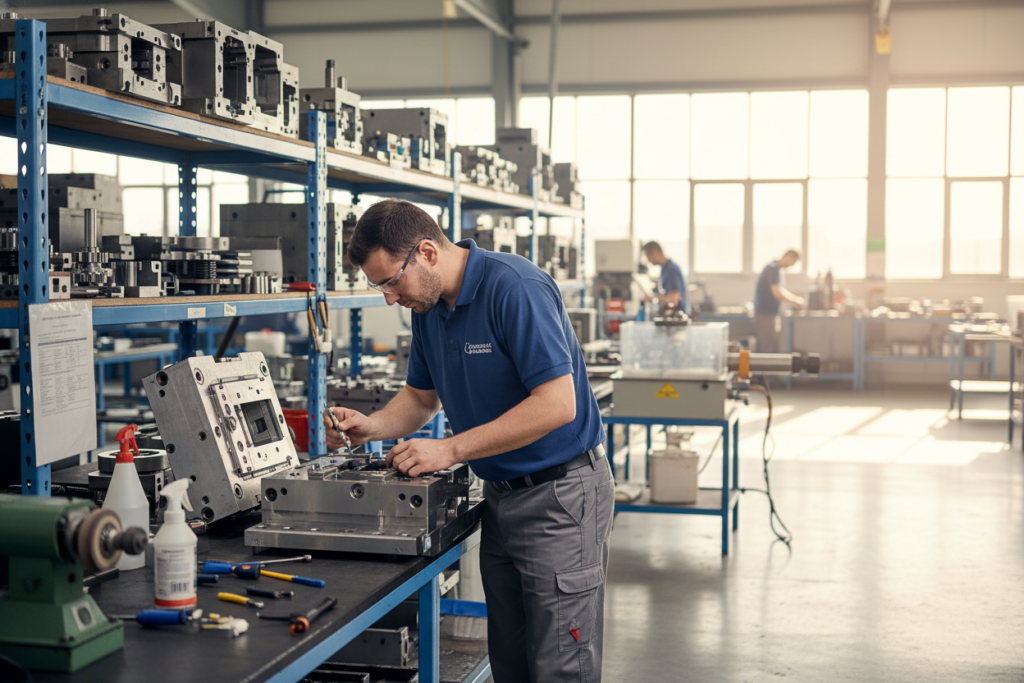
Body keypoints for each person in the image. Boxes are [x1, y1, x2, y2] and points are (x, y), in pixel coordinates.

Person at [323, 199, 613, 683]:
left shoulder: (515, 287)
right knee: (513, 661)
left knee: (562, 665)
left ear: (428, 252)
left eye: (391, 281)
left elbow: (558, 404)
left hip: (561, 497)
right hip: (502, 497)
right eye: (379, 287)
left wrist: (450, 449)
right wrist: (370, 426)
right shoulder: (428, 307)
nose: (389, 299)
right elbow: (421, 397)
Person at [754, 249, 804, 353]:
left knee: (771, 345)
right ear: (789, 257)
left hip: (770, 315)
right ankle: (765, 369)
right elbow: (777, 293)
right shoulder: (773, 269)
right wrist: (795, 300)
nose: (791, 266)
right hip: (765, 316)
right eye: (793, 262)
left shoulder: (777, 270)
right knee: (767, 349)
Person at [641, 241, 689, 315]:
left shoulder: (671, 270)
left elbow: (673, 301)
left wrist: (652, 299)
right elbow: (667, 295)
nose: (648, 260)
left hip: (677, 320)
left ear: (655, 252)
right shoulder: (665, 269)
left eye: (648, 255)